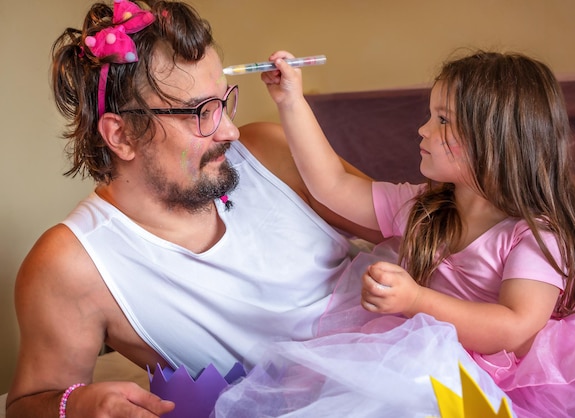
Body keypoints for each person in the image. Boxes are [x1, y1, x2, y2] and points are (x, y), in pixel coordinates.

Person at [6, 1, 389, 417]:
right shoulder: (71, 266)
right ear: (121, 135)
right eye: (199, 112)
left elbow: (429, 233)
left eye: (223, 103)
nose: (230, 130)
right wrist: (75, 405)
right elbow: (28, 403)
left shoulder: (271, 154)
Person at [216, 50, 575, 417]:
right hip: (424, 354)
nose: (423, 129)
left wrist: (415, 299)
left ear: (495, 140)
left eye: (442, 120)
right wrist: (291, 102)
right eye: (432, 116)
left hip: (508, 377)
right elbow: (333, 186)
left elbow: (514, 328)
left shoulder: (535, 234)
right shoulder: (425, 208)